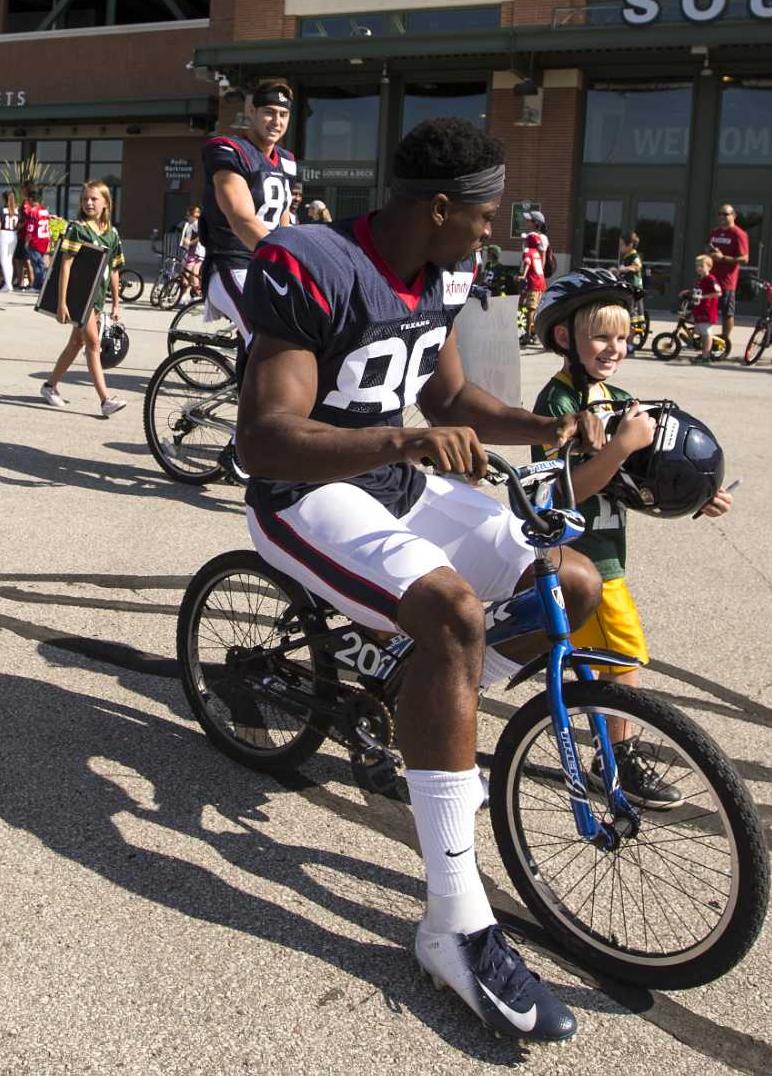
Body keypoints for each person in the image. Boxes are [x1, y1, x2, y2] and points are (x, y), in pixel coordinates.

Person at [236, 116, 610, 1043]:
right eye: (483, 217)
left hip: (394, 484)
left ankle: (420, 702)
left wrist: (544, 427)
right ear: (440, 207)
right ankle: (452, 920)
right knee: (451, 612)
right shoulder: (310, 260)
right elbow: (263, 437)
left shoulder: (445, 270)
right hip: (305, 492)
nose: (493, 232)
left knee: (570, 583)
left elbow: (445, 398)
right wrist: (402, 438)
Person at [532, 270, 732, 804]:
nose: (613, 348)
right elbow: (566, 492)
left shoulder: (620, 396)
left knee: (609, 661)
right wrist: (617, 448)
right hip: (580, 554)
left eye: (622, 336)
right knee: (623, 660)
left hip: (610, 554)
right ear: (562, 337)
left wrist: (696, 496)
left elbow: (640, 482)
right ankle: (617, 761)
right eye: (600, 336)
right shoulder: (554, 405)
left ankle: (611, 752)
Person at [198, 80, 298, 342]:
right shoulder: (228, 149)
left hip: (269, 263)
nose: (277, 121)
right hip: (233, 262)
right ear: (251, 111)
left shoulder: (286, 160)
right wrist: (282, 257)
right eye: (269, 112)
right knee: (268, 337)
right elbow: (241, 218)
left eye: (284, 114)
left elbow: (283, 218)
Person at [38, 182, 127, 417]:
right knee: (93, 345)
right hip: (80, 300)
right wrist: (62, 302)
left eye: (94, 199)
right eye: (85, 199)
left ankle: (49, 386)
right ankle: (105, 400)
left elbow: (115, 269)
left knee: (76, 343)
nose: (88, 203)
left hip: (97, 299)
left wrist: (116, 302)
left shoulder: (112, 233)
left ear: (106, 203)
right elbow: (64, 266)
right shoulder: (77, 229)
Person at [707, 203, 751, 350]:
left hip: (727, 281)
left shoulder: (738, 234)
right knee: (704, 309)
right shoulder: (715, 232)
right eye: (719, 214)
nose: (721, 217)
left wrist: (723, 258)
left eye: (725, 214)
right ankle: (705, 339)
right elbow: (710, 250)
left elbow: (744, 258)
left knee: (727, 313)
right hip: (711, 279)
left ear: (734, 216)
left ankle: (724, 341)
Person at [516, 206, 550, 340]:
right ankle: (531, 331)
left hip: (534, 277)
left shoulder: (539, 238)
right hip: (533, 277)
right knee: (530, 306)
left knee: (531, 307)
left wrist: (531, 275)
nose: (526, 222)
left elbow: (542, 258)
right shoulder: (532, 237)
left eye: (529, 220)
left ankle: (530, 333)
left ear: (536, 223)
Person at [688, 254, 723, 364]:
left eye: (701, 266)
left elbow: (718, 293)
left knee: (706, 333)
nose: (699, 268)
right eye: (697, 266)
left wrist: (703, 297)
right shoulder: (700, 280)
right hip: (699, 310)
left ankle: (706, 357)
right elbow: (697, 291)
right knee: (702, 333)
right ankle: (704, 353)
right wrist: (687, 292)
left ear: (709, 267)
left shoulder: (711, 279)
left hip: (707, 311)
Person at [21, 188, 52, 293]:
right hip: (44, 239)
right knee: (40, 263)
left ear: (31, 199)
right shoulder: (45, 211)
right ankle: (39, 284)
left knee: (37, 264)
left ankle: (38, 286)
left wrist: (26, 242)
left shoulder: (33, 212)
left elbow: (30, 228)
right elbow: (49, 226)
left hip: (35, 240)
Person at [0, 188, 21, 291]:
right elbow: (19, 225)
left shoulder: (1, 210)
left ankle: (8, 284)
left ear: (4, 198)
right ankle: (8, 283)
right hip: (13, 234)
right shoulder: (17, 210)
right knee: (9, 260)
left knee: (3, 260)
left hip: (4, 234)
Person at [176, 205, 204, 298]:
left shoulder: (195, 223)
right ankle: (195, 294)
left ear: (193, 215)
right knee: (193, 274)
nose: (187, 217)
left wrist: (190, 242)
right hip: (195, 253)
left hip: (195, 252)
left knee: (186, 273)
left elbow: (201, 235)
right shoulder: (191, 224)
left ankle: (187, 294)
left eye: (188, 216)